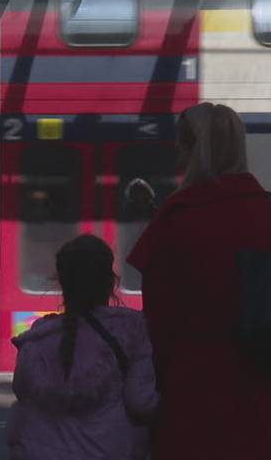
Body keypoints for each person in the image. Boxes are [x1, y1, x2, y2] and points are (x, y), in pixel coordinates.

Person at [127, 102, 271, 459]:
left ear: (198, 150)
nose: (176, 149)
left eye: (181, 141)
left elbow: (156, 326)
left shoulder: (175, 222)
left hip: (192, 396)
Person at [7, 234, 158, 460]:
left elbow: (21, 390)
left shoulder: (36, 338)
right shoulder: (131, 329)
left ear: (62, 283)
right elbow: (141, 402)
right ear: (111, 282)